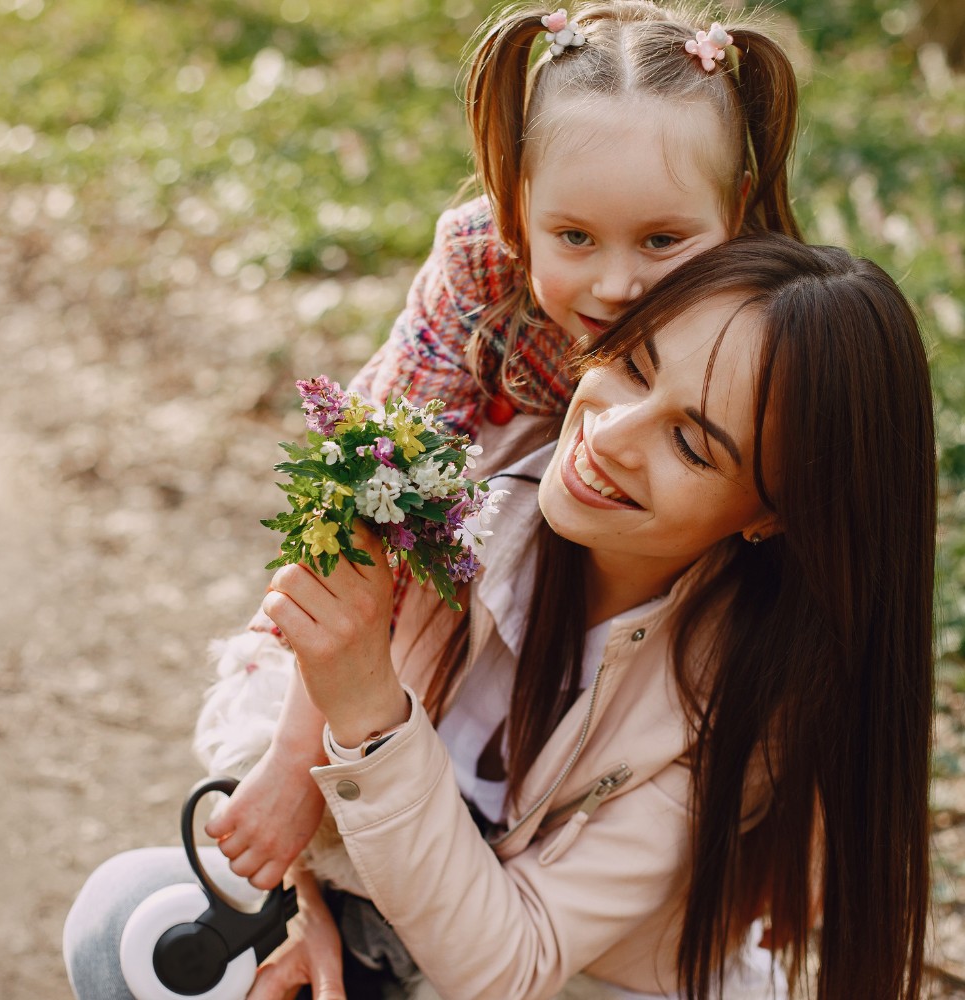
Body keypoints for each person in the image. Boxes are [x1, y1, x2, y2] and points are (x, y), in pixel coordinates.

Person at [64, 234, 936, 1000]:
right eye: (633, 365)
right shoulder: (456, 485)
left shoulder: (744, 700)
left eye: (691, 443)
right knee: (126, 928)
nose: (613, 433)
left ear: (770, 513)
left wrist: (370, 713)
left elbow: (512, 967)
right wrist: (299, 896)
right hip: (365, 924)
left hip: (565, 985)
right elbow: (257, 699)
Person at [205, 0, 807, 905]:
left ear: (740, 212)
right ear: (517, 205)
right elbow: (374, 493)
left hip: (653, 627)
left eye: (663, 241)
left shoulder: (767, 318)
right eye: (574, 237)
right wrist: (298, 760)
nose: (615, 284)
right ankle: (342, 879)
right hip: (471, 575)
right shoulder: (481, 269)